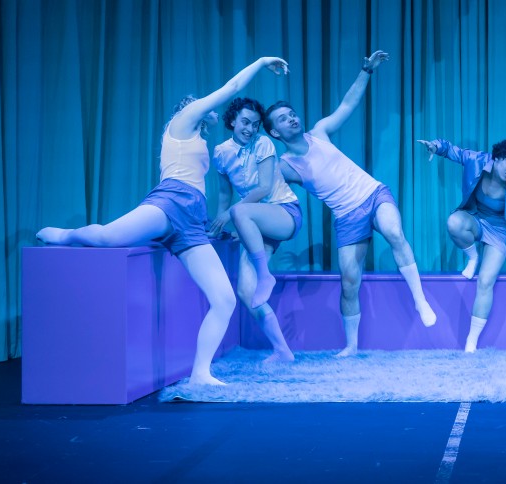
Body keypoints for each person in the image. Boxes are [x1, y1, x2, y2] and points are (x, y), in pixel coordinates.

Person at [37, 57, 289, 384]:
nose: (209, 112)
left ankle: (200, 373)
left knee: (225, 299)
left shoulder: (199, 138)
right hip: (171, 201)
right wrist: (261, 61)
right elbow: (232, 87)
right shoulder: (182, 122)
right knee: (108, 237)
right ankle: (64, 234)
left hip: (192, 219)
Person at [264, 50, 437, 358]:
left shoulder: (319, 132)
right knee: (348, 280)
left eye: (292, 114)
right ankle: (351, 346)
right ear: (275, 132)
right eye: (283, 119)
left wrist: (366, 71)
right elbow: (266, 191)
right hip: (346, 216)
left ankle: (420, 300)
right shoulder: (285, 166)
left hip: (372, 194)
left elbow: (347, 104)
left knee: (393, 232)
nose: (291, 118)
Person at [417, 137, 506, 352]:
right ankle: (473, 257)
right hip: (475, 218)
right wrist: (436, 146)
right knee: (454, 223)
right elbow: (454, 151)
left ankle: (471, 342)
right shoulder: (476, 160)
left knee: (485, 281)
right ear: (497, 158)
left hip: (500, 231)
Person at [209, 97, 299, 363]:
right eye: (245, 122)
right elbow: (224, 194)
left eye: (256, 124)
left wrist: (230, 214)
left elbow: (264, 188)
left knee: (239, 212)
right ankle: (282, 351)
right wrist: (218, 225)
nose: (250, 129)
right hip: (255, 221)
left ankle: (265, 276)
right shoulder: (221, 152)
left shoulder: (263, 143)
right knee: (247, 292)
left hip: (284, 213)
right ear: (233, 121)